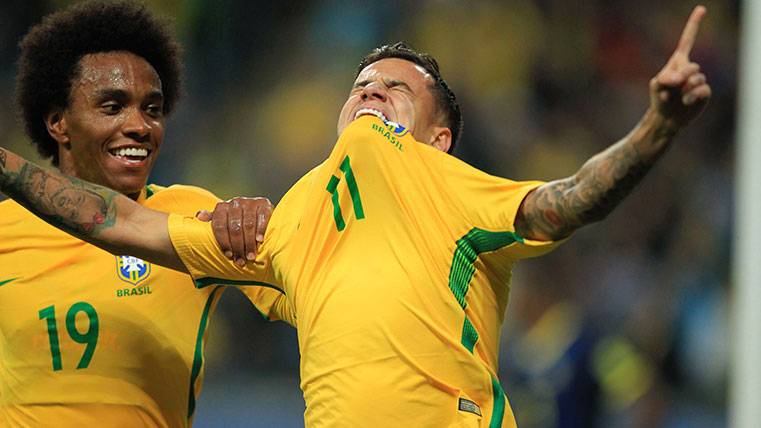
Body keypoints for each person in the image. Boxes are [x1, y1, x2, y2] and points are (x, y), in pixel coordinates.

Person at [0, 5, 710, 427]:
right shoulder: (297, 215)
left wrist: (654, 128)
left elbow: (568, 200)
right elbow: (119, 224)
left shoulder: (449, 184)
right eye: (361, 83)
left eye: (398, 88)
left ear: (438, 138)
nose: (372, 89)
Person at [0, 2, 283, 427]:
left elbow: (305, 283)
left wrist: (261, 223)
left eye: (152, 109)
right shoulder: (6, 229)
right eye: (112, 107)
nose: (141, 126)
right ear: (58, 122)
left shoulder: (192, 212)